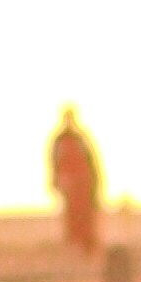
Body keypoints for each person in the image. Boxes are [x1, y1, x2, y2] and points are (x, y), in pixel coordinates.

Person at [51, 106, 103, 263]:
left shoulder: (81, 139)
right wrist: (57, 181)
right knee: (73, 218)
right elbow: (55, 163)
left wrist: (96, 183)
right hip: (71, 185)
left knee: (86, 218)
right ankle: (75, 247)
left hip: (84, 184)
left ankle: (89, 248)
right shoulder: (60, 141)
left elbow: (91, 161)